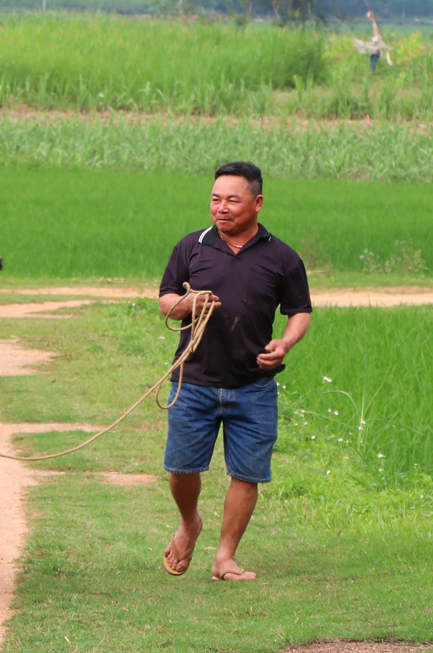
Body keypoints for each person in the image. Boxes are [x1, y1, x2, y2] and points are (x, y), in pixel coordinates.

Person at [158, 161, 312, 581]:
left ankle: (225, 557)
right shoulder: (191, 247)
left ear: (257, 203)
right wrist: (188, 304)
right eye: (215, 199)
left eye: (232, 200)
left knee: (247, 473)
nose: (221, 208)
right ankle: (190, 522)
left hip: (254, 385)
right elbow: (166, 299)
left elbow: (300, 310)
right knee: (181, 469)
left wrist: (285, 342)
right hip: (193, 380)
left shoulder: (282, 257)